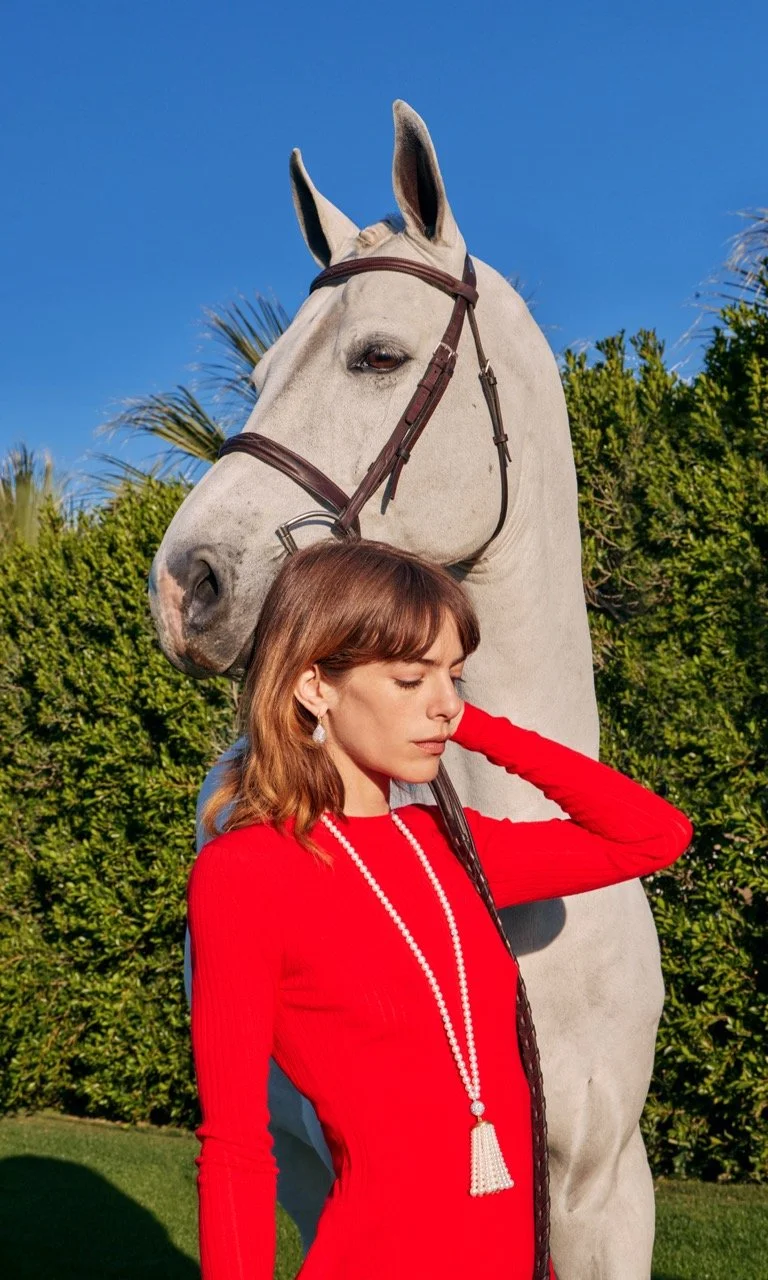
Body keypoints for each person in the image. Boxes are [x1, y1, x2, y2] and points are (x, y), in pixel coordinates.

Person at [186, 537, 693, 1280]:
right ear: (313, 685)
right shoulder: (246, 874)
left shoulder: (448, 845)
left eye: (455, 676)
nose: (443, 701)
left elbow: (654, 835)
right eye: (408, 678)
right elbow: (236, 1149)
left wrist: (475, 727)